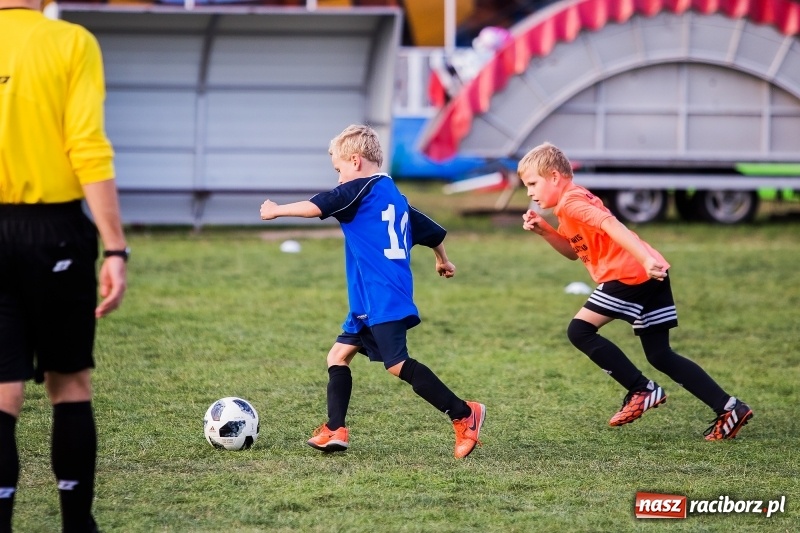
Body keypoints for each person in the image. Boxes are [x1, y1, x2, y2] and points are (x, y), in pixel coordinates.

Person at [260, 124, 484, 459]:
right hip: (367, 297)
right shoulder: (394, 195)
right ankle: (336, 429)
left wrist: (277, 210)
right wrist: (443, 260)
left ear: (355, 160)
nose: (338, 179)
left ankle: (464, 414)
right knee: (337, 356)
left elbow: (317, 205)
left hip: (383, 295)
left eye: (338, 170)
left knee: (397, 364)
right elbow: (432, 231)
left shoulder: (359, 189)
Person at [517, 142, 753, 441]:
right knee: (660, 354)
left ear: (554, 177)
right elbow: (573, 252)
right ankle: (730, 408)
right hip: (650, 274)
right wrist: (545, 230)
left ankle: (642, 390)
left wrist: (643, 259)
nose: (529, 192)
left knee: (580, 331)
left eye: (532, 183)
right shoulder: (567, 207)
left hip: (631, 274)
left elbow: (612, 225)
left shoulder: (572, 203)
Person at [0, 1, 128, 531]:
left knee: (2, 392)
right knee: (69, 384)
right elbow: (87, 148)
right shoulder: (70, 41)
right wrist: (115, 248)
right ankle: (78, 525)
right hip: (55, 232)